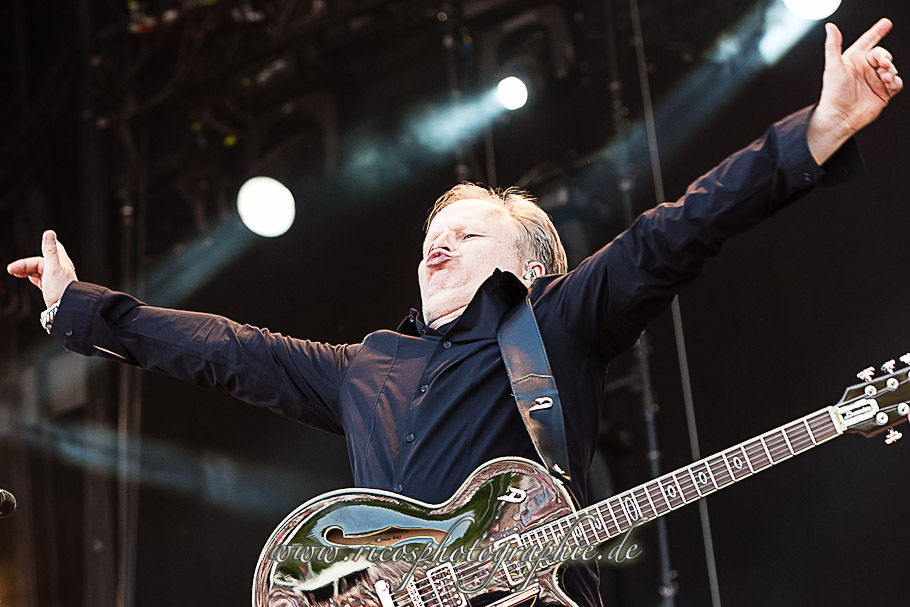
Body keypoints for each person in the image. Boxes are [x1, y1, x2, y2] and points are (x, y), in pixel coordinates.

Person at [6, 18, 903, 607]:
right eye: (434, 233)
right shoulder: (368, 366)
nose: (438, 244)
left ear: (530, 262)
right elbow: (226, 350)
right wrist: (83, 310)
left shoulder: (553, 322)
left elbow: (680, 229)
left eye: (468, 234)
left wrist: (814, 134)